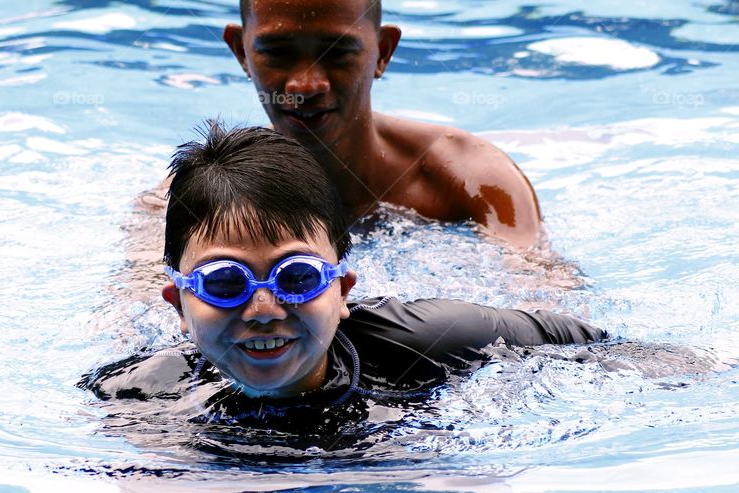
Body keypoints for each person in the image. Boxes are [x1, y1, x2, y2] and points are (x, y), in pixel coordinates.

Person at [80, 124, 605, 424]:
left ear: (342, 290)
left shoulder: (427, 341)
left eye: (298, 278)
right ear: (179, 305)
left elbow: (587, 340)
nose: (263, 311)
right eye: (225, 283)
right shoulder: (137, 396)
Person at [221, 0, 543, 247]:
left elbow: (548, 308)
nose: (306, 85)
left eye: (338, 53)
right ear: (241, 52)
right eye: (277, 52)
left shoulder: (473, 182)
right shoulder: (218, 185)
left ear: (383, 52)